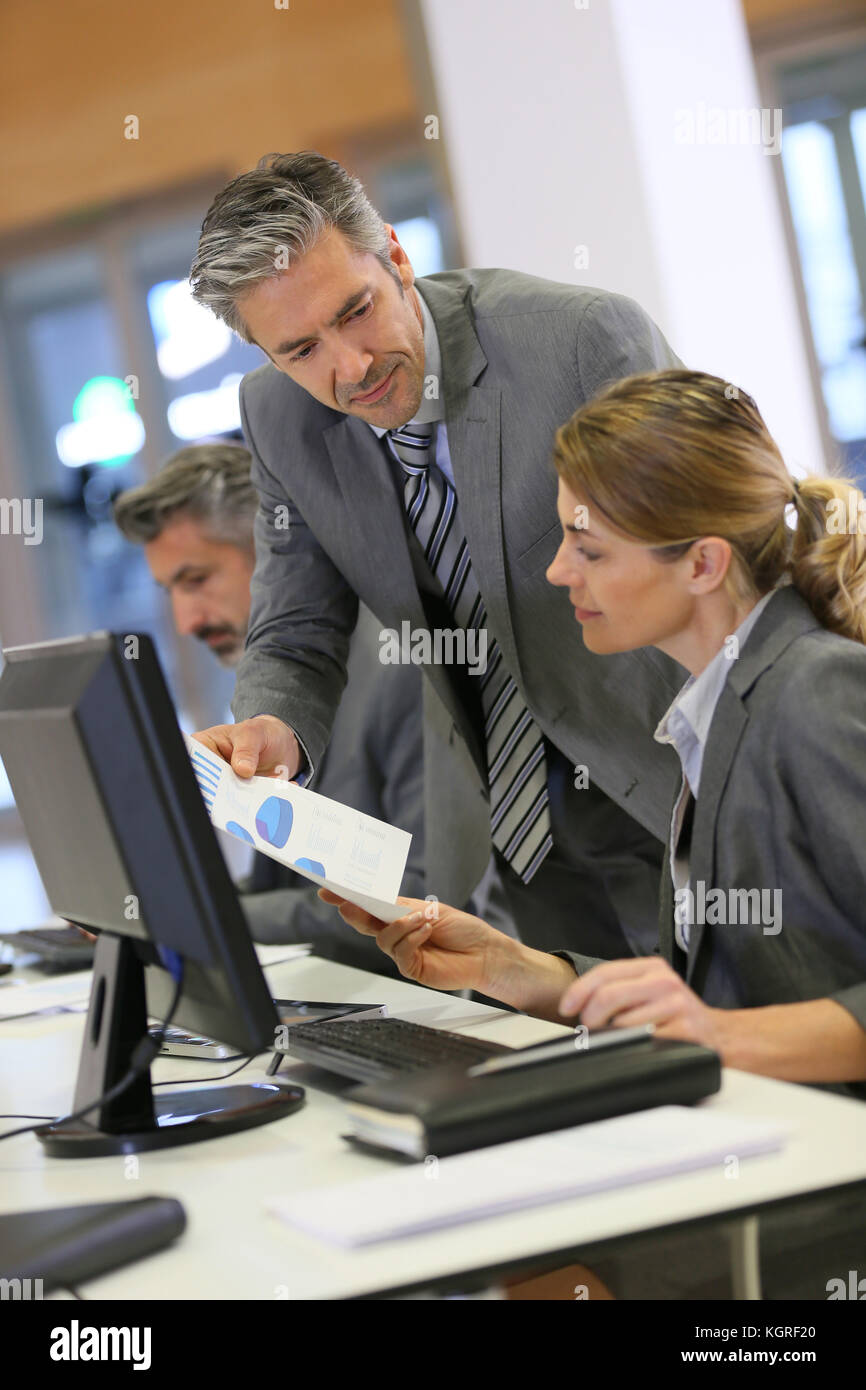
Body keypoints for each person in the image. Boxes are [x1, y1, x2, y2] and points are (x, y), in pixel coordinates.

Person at [188, 150, 688, 965]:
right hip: (512, 829)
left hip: (665, 786)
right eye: (299, 350)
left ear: (395, 254)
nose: (349, 369)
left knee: (740, 1064)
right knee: (589, 1055)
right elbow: (295, 625)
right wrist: (272, 726)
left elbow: (713, 571)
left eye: (356, 311)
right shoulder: (276, 416)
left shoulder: (582, 341)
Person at [319, 369, 866, 1097]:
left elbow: (724, 1021)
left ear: (703, 563)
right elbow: (722, 989)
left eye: (590, 549)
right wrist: (513, 969)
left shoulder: (813, 691)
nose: (556, 570)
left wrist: (720, 1037)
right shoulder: (722, 706)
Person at [113, 442, 444, 977]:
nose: (186, 622)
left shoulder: (401, 667)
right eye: (170, 590)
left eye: (196, 580)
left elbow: (422, 902)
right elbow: (288, 887)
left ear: (272, 553)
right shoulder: (269, 695)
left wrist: (201, 916)